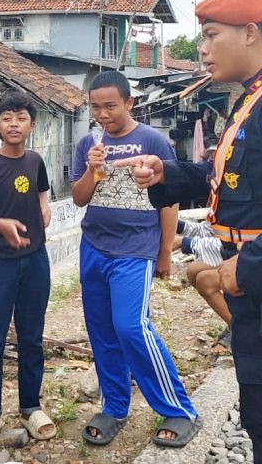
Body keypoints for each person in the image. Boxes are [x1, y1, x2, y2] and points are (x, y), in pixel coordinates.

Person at [118, 0, 262, 463]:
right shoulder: (252, 100)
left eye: (209, 35)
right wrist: (169, 174)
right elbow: (229, 179)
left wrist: (245, 270)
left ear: (249, 33)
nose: (201, 49)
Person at [71, 70, 201, 449]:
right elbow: (79, 198)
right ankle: (114, 407)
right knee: (103, 331)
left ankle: (178, 408)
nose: (103, 114)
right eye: (95, 107)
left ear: (129, 102)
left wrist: (164, 251)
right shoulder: (88, 143)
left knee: (131, 327)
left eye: (110, 105)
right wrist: (94, 172)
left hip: (135, 249)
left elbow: (171, 198)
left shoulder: (152, 139)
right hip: (94, 246)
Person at [0, 91, 55, 447]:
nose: (14, 124)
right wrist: (2, 225)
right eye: (7, 119)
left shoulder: (35, 160)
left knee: (32, 338)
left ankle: (30, 406)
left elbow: (42, 190)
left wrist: (44, 207)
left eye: (21, 118)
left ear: (31, 125)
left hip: (35, 260)